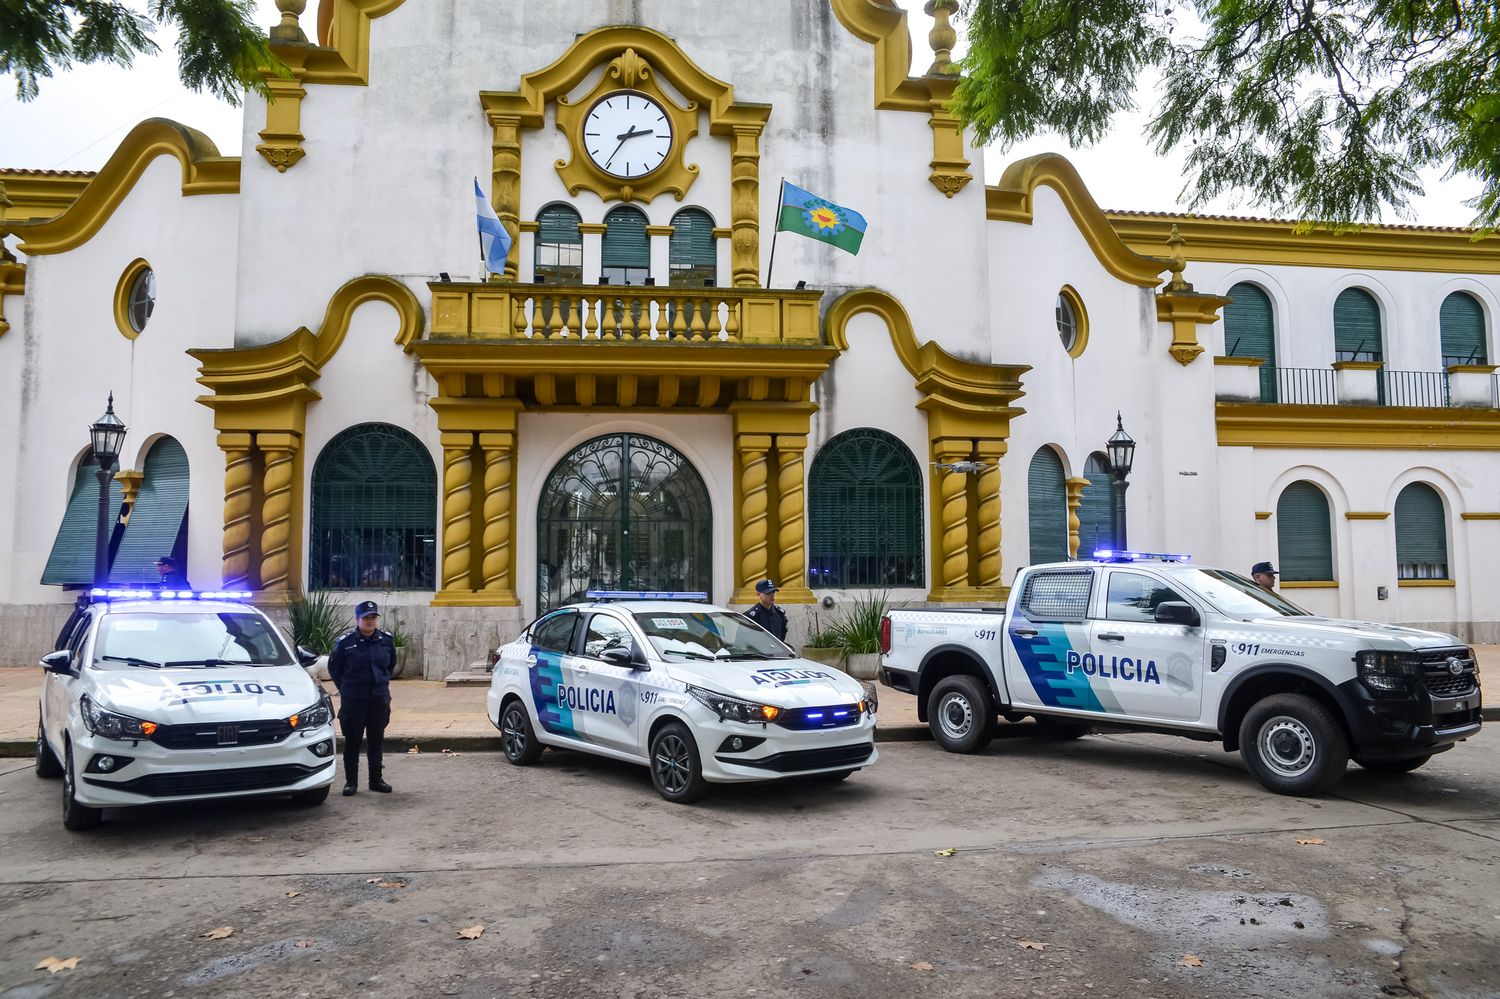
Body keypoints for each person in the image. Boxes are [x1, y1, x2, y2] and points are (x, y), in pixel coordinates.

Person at [327, 600, 396, 796]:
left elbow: (390, 666)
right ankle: (351, 782)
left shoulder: (386, 640)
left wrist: (381, 684)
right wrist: (347, 688)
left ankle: (376, 780)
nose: (370, 621)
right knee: (353, 741)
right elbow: (335, 669)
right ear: (358, 619)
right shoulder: (345, 643)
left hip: (378, 698)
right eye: (366, 617)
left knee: (376, 740)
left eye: (373, 617)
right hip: (354, 699)